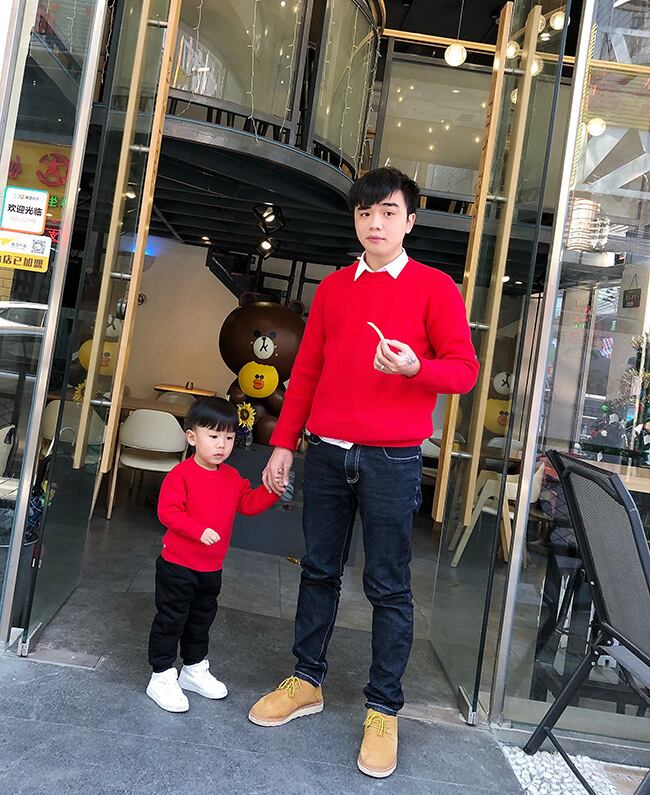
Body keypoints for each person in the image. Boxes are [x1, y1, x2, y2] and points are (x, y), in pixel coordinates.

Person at [248, 167, 479, 778]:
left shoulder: (434, 288)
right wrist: (283, 444)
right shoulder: (333, 288)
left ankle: (383, 709)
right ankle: (306, 680)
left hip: (392, 459)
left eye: (388, 212)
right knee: (318, 569)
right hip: (326, 451)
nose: (375, 223)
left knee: (388, 585)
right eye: (365, 213)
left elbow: (463, 371)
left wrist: (415, 369)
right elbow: (307, 372)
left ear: (410, 221)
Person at [146, 397, 280, 712]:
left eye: (229, 437)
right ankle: (161, 675)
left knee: (201, 620)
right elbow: (168, 513)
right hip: (177, 566)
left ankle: (193, 669)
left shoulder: (231, 477)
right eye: (214, 436)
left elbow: (248, 503)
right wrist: (198, 530)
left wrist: (272, 490)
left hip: (211, 568)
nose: (222, 445)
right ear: (192, 437)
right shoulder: (181, 474)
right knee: (171, 619)